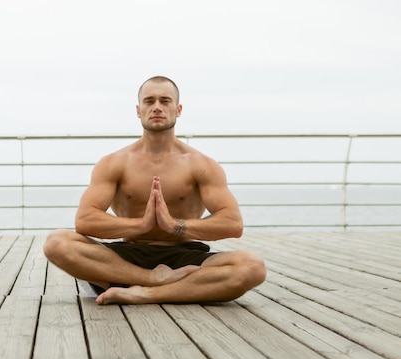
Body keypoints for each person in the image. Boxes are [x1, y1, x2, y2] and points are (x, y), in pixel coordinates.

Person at [43, 76, 266, 305]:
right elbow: (85, 221)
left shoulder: (202, 165)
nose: (157, 107)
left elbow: (232, 223)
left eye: (165, 101)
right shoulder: (113, 163)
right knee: (57, 242)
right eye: (149, 101)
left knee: (252, 267)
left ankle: (144, 293)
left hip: (184, 256)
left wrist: (173, 225)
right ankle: (152, 280)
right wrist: (141, 225)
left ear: (178, 109)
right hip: (127, 258)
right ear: (138, 110)